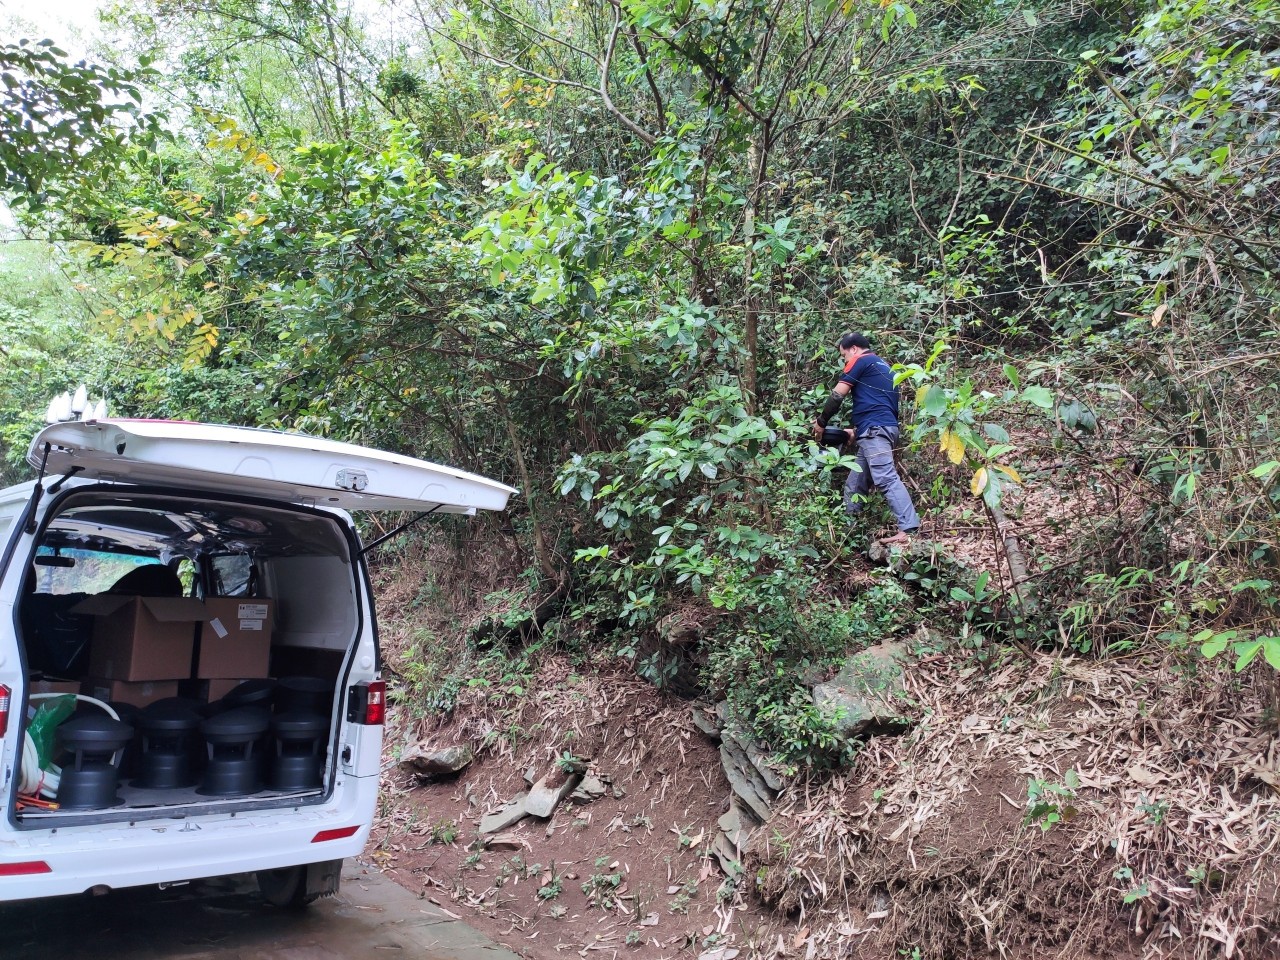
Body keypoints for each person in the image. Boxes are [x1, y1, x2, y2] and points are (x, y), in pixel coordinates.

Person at [812, 332, 920, 544]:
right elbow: (878, 404)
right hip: (882, 429)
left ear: (853, 349)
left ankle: (909, 529)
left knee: (885, 477)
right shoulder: (884, 367)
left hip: (875, 432)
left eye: (844, 356)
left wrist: (821, 422)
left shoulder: (860, 361)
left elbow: (837, 395)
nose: (845, 360)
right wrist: (856, 430)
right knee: (856, 482)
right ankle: (850, 534)